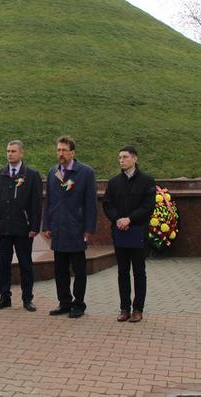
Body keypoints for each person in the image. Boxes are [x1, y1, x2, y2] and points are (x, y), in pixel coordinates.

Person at [42, 136, 97, 318]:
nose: (61, 153)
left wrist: (89, 228)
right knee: (60, 269)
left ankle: (79, 304)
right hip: (58, 227)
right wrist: (47, 225)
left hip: (76, 228)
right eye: (58, 150)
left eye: (64, 150)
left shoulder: (85, 172)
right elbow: (48, 200)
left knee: (79, 269)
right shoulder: (52, 172)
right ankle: (64, 302)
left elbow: (91, 203)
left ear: (72, 152)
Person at [102, 145, 156, 323]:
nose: (121, 160)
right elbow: (107, 204)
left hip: (138, 232)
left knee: (139, 272)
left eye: (125, 157)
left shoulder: (147, 181)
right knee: (122, 272)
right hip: (120, 232)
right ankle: (124, 308)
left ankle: (138, 309)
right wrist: (118, 219)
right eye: (119, 158)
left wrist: (129, 219)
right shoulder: (114, 182)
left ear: (135, 159)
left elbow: (148, 206)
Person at [0, 140, 43, 312]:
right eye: (8, 151)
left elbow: (36, 204)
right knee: (3, 264)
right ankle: (4, 297)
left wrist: (34, 226)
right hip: (3, 227)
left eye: (13, 151)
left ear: (21, 153)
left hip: (23, 228)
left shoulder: (31, 175)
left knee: (26, 265)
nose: (10, 154)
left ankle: (27, 298)